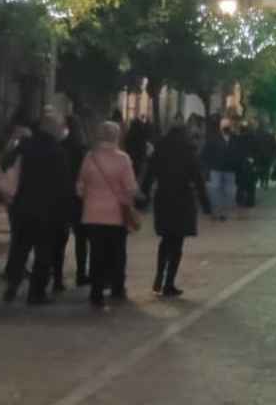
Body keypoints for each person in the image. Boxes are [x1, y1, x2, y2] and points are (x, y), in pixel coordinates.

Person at [1, 110, 71, 305]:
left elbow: (6, 164)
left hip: (22, 206)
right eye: (59, 126)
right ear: (53, 128)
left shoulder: (24, 145)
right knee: (43, 253)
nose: (62, 130)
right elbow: (63, 185)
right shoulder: (58, 152)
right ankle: (36, 293)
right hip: (47, 211)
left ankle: (13, 284)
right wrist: (65, 212)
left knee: (20, 249)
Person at [139, 123, 212, 298]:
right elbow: (198, 180)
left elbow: (148, 177)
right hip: (182, 200)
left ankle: (159, 276)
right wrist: (206, 205)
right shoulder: (188, 152)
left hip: (163, 199)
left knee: (165, 240)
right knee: (177, 243)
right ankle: (169, 283)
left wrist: (142, 198)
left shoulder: (159, 151)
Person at [77, 121, 138, 308]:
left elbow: (80, 186)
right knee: (118, 252)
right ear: (117, 136)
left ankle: (96, 293)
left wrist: (89, 196)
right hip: (117, 214)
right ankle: (117, 288)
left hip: (93, 214)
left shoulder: (90, 157)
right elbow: (130, 188)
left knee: (97, 254)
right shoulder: (123, 159)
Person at [57, 115, 89, 290]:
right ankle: (81, 274)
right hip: (78, 198)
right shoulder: (82, 148)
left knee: (59, 239)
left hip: (61, 197)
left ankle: (57, 277)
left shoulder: (60, 146)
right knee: (81, 239)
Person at [202, 121, 235, 219]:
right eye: (225, 126)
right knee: (215, 189)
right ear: (221, 128)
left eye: (228, 126)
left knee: (229, 191)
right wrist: (208, 166)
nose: (226, 128)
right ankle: (216, 210)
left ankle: (223, 212)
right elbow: (205, 153)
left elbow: (238, 152)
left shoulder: (235, 139)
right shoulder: (213, 139)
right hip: (216, 168)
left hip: (229, 169)